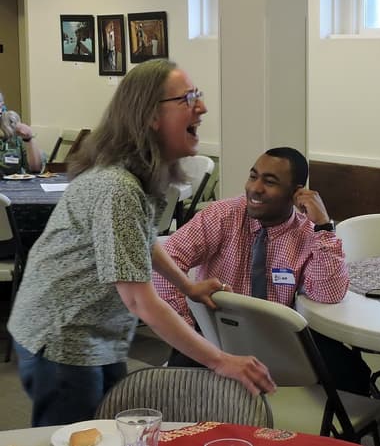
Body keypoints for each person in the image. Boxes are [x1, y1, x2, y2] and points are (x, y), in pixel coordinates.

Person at [7, 59, 276, 427]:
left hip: (95, 332)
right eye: (188, 98)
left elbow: (142, 241)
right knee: (76, 435)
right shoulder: (117, 188)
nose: (203, 107)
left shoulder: (140, 179)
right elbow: (140, 300)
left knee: (109, 428)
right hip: (61, 336)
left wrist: (188, 286)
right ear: (150, 116)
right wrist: (221, 360)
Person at [154, 147, 372, 396]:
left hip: (278, 338)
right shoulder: (222, 216)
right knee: (175, 392)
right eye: (253, 176)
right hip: (217, 333)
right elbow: (166, 263)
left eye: (269, 182)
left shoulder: (307, 233)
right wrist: (188, 328)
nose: (255, 188)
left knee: (354, 375)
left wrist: (323, 227)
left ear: (296, 192)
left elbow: (328, 294)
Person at [0, 91, 44, 176]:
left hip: (12, 186)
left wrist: (29, 139)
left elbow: (35, 169)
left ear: (1, 106)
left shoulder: (13, 128)